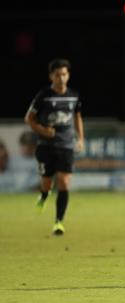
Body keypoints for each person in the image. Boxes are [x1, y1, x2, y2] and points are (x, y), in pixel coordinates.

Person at [25, 58, 84, 236]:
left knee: (64, 183)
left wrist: (80, 138)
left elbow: (77, 117)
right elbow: (29, 118)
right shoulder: (43, 95)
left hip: (66, 146)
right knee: (47, 182)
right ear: (51, 76)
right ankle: (43, 195)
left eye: (64, 74)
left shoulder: (74, 95)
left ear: (69, 75)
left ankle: (59, 222)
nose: (61, 78)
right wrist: (42, 130)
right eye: (57, 75)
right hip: (45, 146)